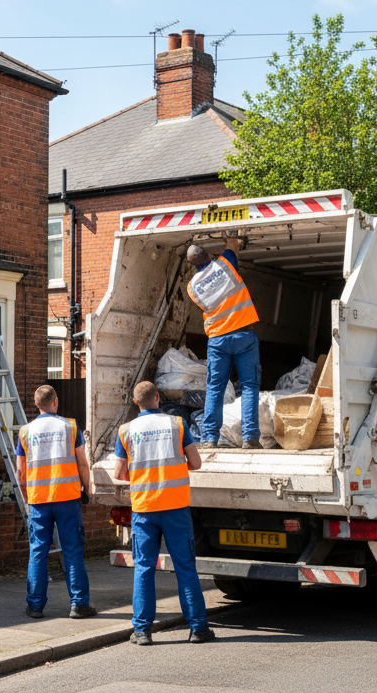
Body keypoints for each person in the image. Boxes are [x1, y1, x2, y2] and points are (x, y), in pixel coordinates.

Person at [113, 381, 214, 645]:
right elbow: (196, 463)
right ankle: (198, 628)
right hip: (175, 508)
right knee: (185, 568)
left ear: (136, 402)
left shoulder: (126, 430)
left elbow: (120, 473)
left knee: (144, 569)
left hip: (145, 509)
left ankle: (142, 631)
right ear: (157, 397)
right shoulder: (177, 424)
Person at [17, 385, 95, 620]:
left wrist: (27, 497)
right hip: (68, 498)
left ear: (36, 404)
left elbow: (21, 472)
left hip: (39, 500)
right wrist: (87, 489)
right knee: (72, 550)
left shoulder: (25, 431)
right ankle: (79, 604)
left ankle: (35, 606)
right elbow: (82, 463)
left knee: (38, 552)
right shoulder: (70, 426)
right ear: (56, 402)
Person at [187, 237, 261, 451]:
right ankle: (250, 438)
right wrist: (230, 236)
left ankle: (209, 438)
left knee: (215, 388)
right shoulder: (224, 264)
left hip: (218, 339)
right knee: (249, 386)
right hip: (243, 335)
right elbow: (233, 245)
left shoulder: (192, 287)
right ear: (208, 256)